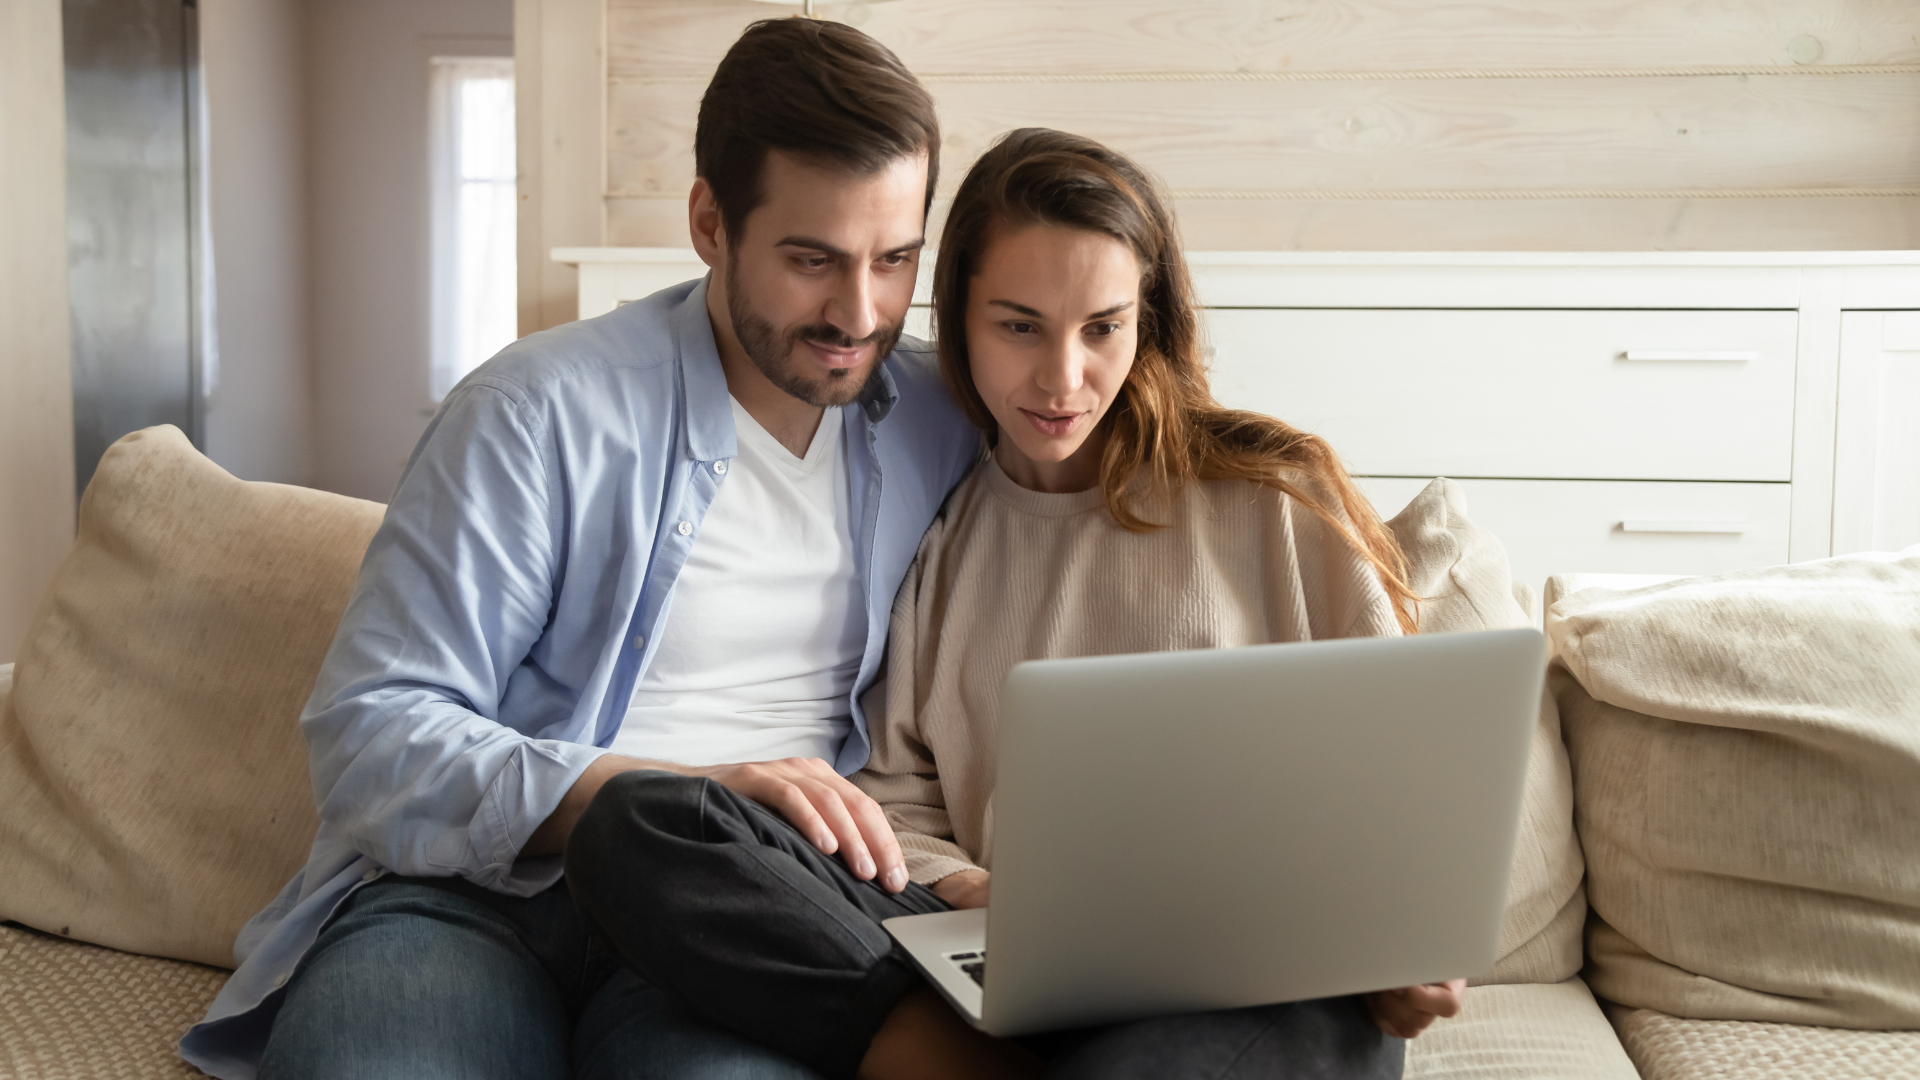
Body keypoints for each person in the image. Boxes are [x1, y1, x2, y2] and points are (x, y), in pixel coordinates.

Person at [564, 129, 1466, 1080]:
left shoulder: (1276, 501)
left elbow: (1402, 790)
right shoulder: (941, 525)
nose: (1062, 378)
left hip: (1256, 979)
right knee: (642, 824)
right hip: (1001, 947)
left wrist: (1407, 945)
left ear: (1147, 320)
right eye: (1020, 325)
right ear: (958, 317)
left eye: (1102, 328)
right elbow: (897, 802)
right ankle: (945, 1051)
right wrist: (980, 893)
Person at [179, 19, 975, 1080]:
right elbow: (373, 735)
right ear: (708, 221)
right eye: (811, 260)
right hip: (476, 901)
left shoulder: (940, 410)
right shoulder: (536, 411)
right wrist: (665, 796)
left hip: (754, 920)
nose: (860, 311)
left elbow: (1117, 435)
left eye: (895, 261)